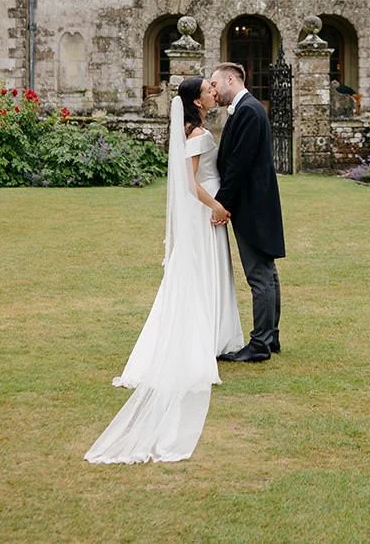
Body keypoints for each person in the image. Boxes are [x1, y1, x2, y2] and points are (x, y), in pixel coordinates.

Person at [84, 77, 245, 464]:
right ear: (197, 101)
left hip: (202, 210)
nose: (213, 91)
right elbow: (190, 185)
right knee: (197, 274)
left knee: (202, 272)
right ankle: (199, 341)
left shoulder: (195, 128)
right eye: (208, 89)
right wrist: (217, 206)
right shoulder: (197, 133)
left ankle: (212, 334)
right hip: (202, 210)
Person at [210, 61, 286, 363]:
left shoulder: (249, 111)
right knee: (266, 272)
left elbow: (238, 165)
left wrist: (221, 204)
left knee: (260, 275)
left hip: (253, 206)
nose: (213, 91)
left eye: (215, 84)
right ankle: (270, 337)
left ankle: (260, 344)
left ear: (230, 79)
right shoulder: (247, 109)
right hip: (256, 203)